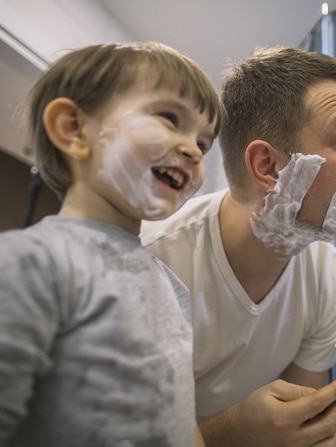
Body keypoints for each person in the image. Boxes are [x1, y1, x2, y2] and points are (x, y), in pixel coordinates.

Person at [140, 46, 336, 446]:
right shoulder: (151, 263)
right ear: (269, 167)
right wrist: (233, 432)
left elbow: (300, 430)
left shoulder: (327, 273)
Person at [0, 41, 221, 447]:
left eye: (204, 144)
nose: (193, 149)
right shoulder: (30, 263)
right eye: (170, 118)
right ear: (73, 129)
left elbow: (180, 421)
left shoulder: (173, 287)